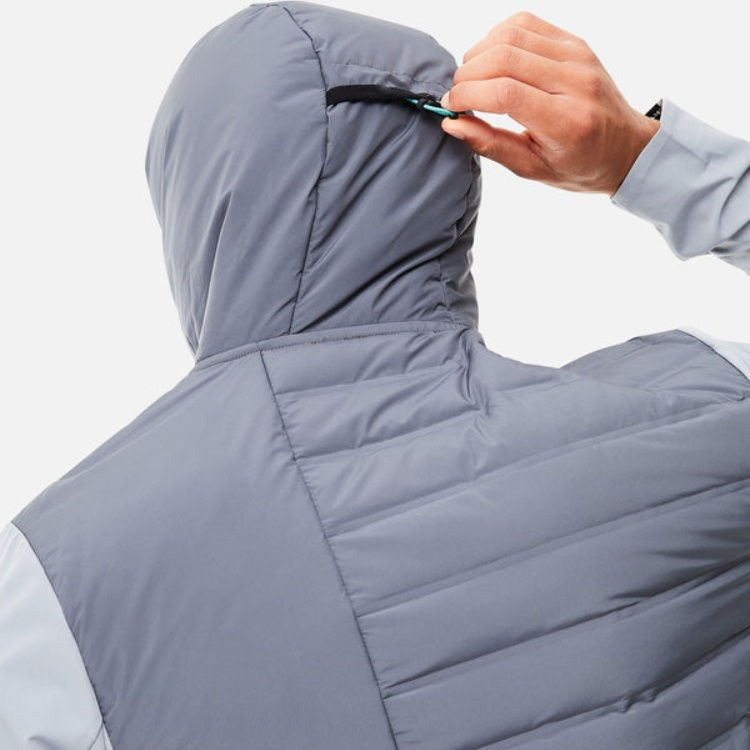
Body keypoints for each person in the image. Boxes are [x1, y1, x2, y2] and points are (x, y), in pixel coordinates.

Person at [1, 3, 749, 749]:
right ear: (452, 170)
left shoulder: (52, 577)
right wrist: (641, 158)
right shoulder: (702, 407)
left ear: (195, 206)